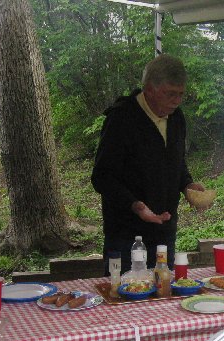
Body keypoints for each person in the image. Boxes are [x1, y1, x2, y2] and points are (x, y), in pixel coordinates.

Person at [92, 54, 205, 274]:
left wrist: (187, 185)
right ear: (149, 89)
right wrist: (136, 205)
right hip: (126, 235)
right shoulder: (121, 118)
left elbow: (176, 163)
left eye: (181, 94)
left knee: (164, 289)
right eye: (170, 94)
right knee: (124, 292)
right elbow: (102, 177)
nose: (177, 101)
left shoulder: (176, 118)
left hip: (164, 232)